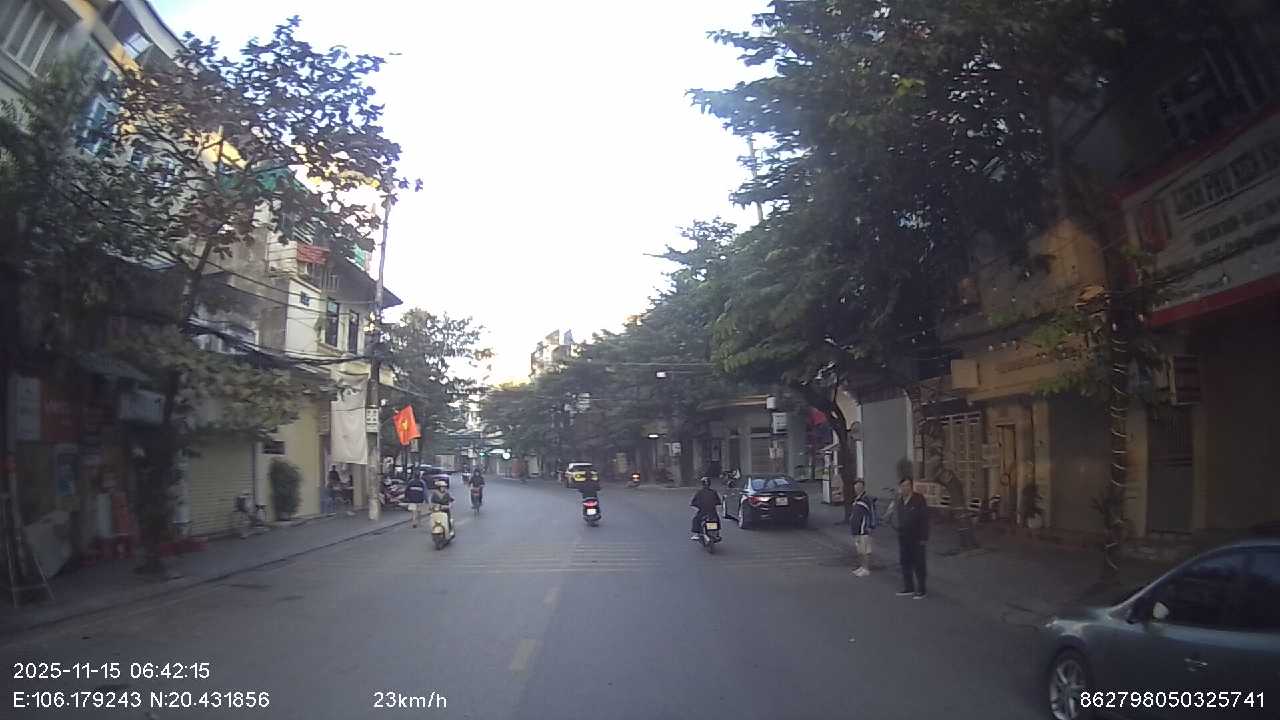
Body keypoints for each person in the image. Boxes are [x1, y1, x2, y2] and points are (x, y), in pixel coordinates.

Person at [894, 477, 929, 599]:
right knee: (905, 562)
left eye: (907, 485)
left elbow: (924, 519)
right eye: (903, 486)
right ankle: (909, 587)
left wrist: (924, 537)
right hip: (904, 537)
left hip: (917, 537)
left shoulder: (919, 499)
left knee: (919, 564)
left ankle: (922, 589)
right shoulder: (900, 500)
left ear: (911, 486)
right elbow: (899, 517)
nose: (905, 488)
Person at [849, 480, 874, 576]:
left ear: (863, 487)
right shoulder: (857, 499)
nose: (857, 488)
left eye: (859, 486)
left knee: (865, 550)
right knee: (860, 550)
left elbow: (871, 513)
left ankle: (866, 568)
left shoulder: (866, 499)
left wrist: (871, 526)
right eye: (856, 486)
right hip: (856, 529)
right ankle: (862, 567)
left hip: (864, 529)